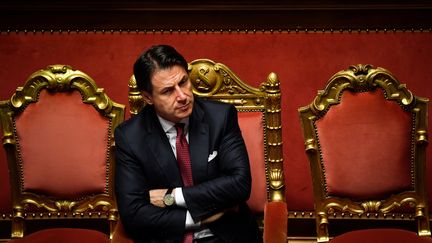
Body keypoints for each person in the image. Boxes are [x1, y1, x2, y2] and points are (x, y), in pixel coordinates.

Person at [114, 44, 262, 243]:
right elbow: (133, 213)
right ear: (148, 97)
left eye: (183, 82)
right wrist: (196, 218)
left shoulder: (220, 117)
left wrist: (172, 197)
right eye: (168, 91)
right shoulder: (130, 136)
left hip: (227, 236)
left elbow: (239, 184)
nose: (182, 96)